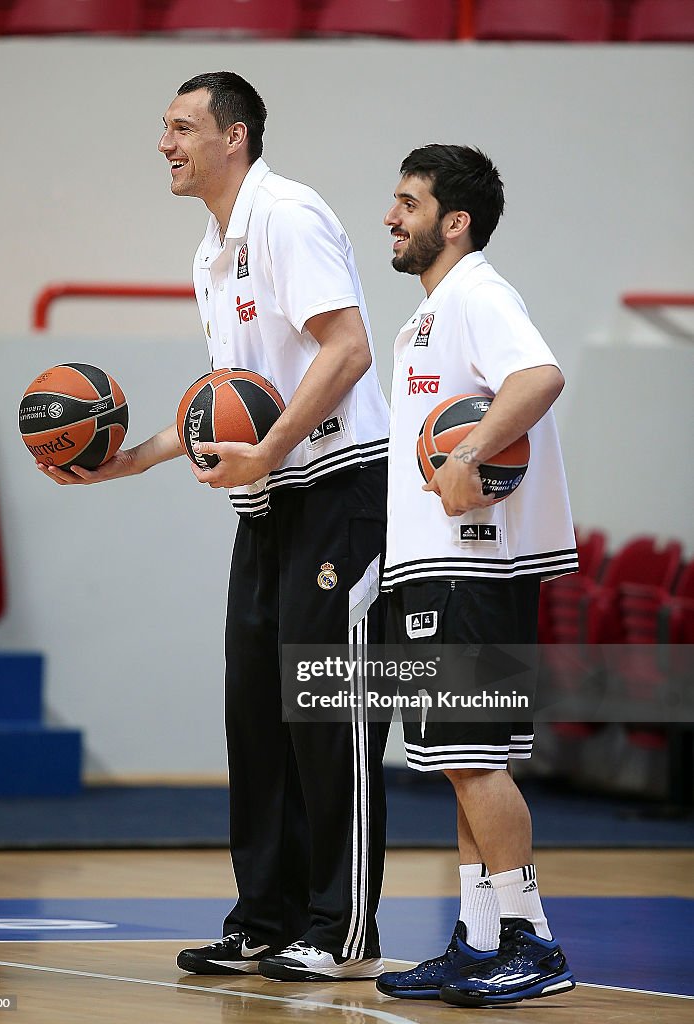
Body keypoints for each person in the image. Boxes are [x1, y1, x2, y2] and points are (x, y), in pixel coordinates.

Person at [37, 72, 390, 983]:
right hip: (269, 500)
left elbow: (348, 348)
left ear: (234, 137)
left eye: (182, 126)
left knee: (328, 714)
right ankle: (266, 919)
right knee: (255, 718)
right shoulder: (211, 253)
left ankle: (339, 927)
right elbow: (222, 411)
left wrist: (269, 450)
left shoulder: (287, 216)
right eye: (163, 127)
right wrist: (133, 458)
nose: (165, 142)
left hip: (341, 490)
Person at [375, 145, 579, 1007]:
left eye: (407, 203)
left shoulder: (478, 293)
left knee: (474, 762)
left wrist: (467, 450)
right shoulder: (427, 314)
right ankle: (481, 935)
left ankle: (532, 940)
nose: (390, 216)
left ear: (453, 221)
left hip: (474, 564)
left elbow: (539, 377)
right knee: (469, 759)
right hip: (445, 566)